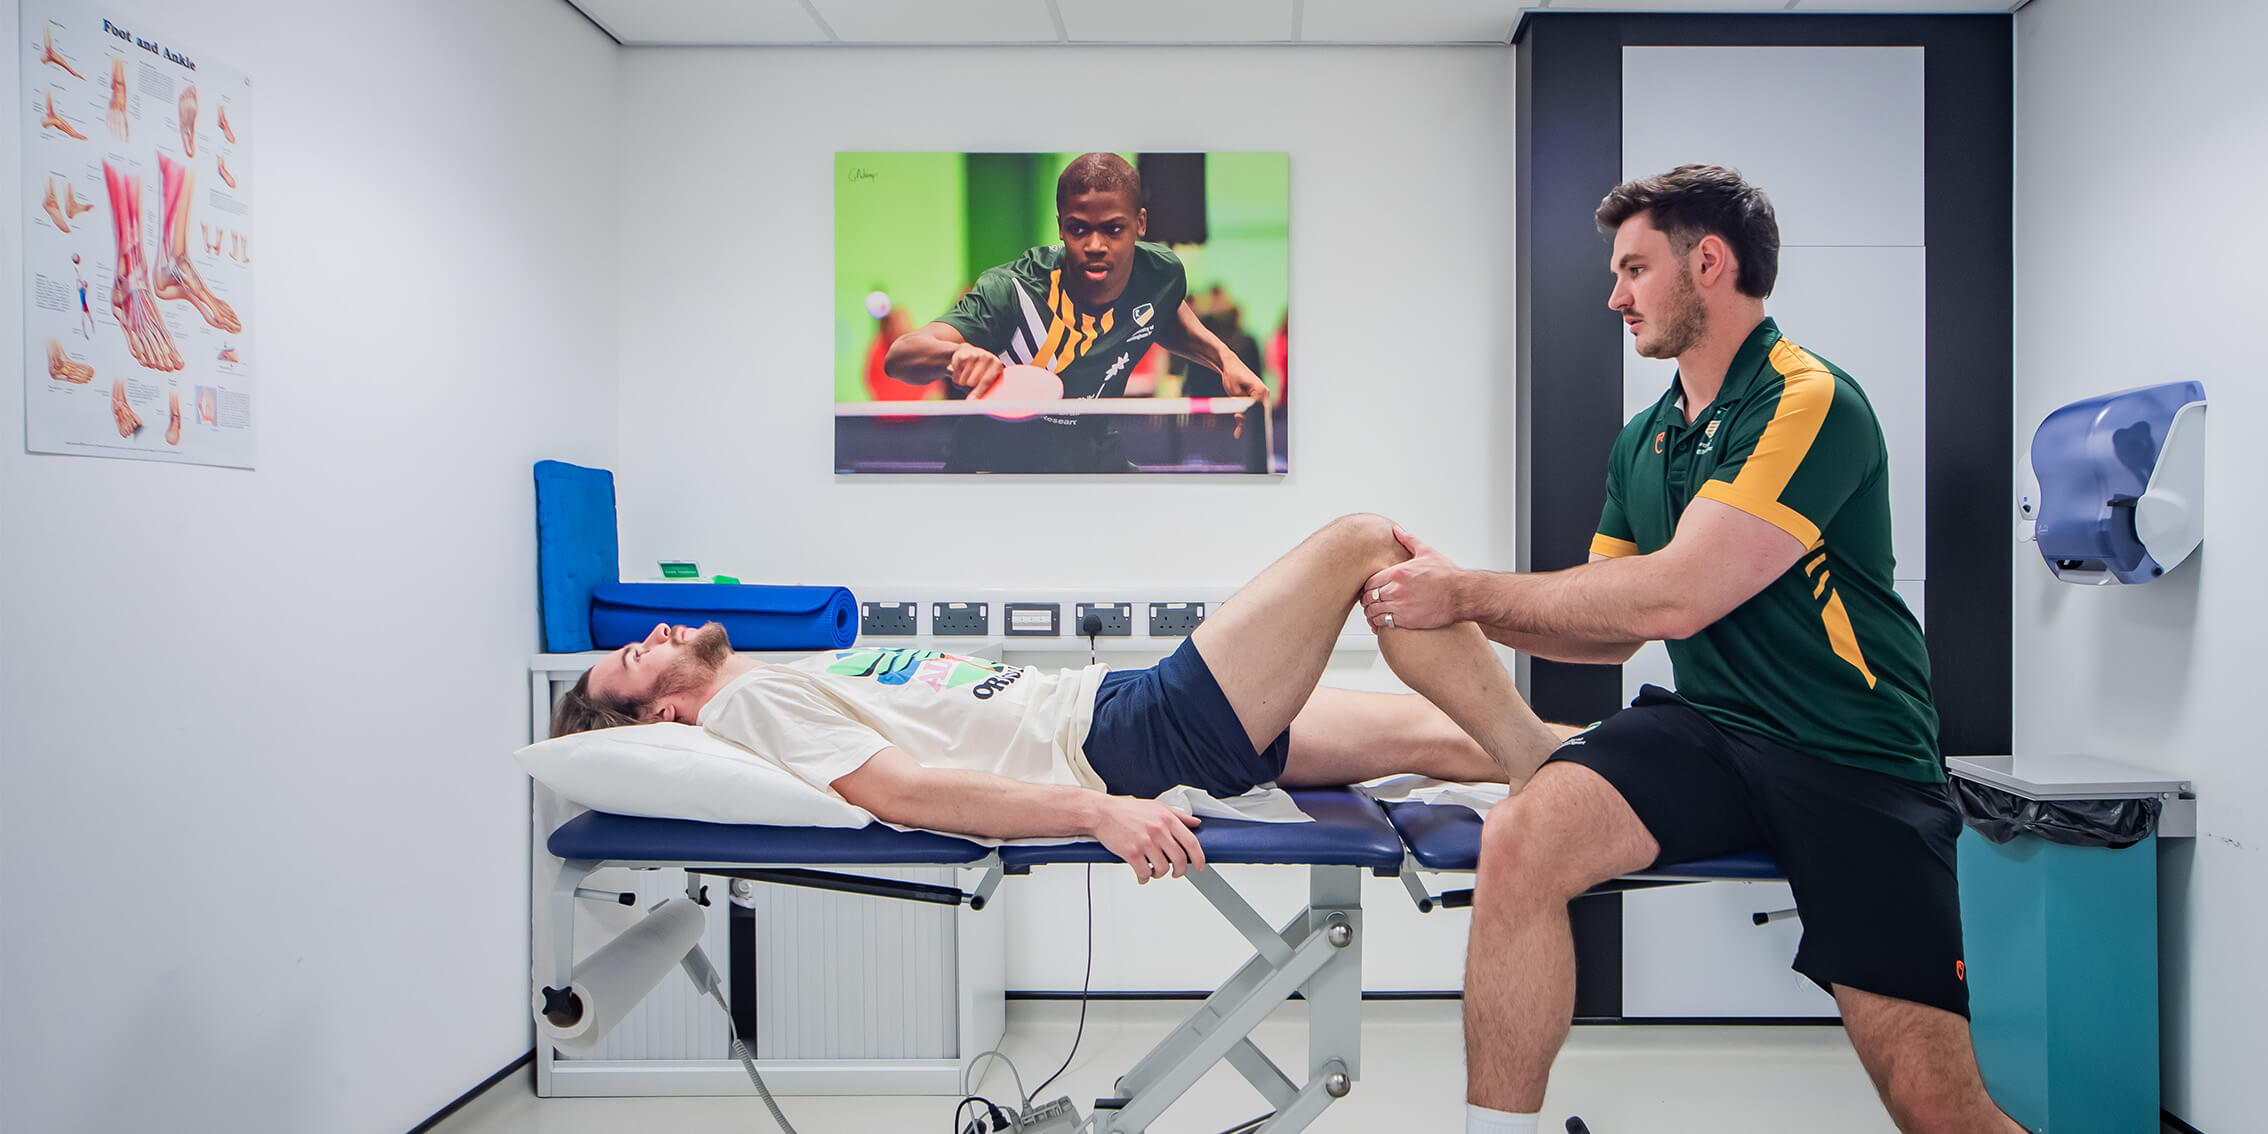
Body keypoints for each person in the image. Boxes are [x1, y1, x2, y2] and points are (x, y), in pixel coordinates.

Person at [1356, 164, 2019, 1134]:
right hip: (1708, 730)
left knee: (1938, 1112)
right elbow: (1610, 624)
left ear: (1708, 262)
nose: (1614, 295)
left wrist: (1466, 594)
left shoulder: (1810, 401)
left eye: (1635, 269)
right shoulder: (1646, 439)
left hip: (1852, 756)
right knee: (1523, 837)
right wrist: (1454, 605)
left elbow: (1679, 594)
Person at [550, 515, 1575, 884]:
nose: (651, 636)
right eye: (634, 662)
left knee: (1452, 742)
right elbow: (907, 793)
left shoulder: (775, 675)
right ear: (665, 717)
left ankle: (1627, 763)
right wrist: (1098, 810)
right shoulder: (748, 710)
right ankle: (1543, 764)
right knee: (1366, 543)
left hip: (1113, 707)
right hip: (1118, 741)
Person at [882, 153, 1269, 472]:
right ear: (1061, 228)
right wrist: (955, 354)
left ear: (1141, 224)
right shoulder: (1012, 291)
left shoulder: (1160, 273)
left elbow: (1163, 310)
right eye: (1079, 229)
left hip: (1093, 458)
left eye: (1113, 229)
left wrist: (1225, 360)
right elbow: (900, 355)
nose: (1096, 244)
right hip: (997, 469)